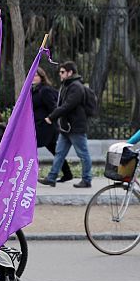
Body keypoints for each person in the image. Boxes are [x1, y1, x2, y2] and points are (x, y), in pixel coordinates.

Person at [39, 60, 92, 188]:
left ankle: (87, 179)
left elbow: (68, 106)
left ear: (70, 72)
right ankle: (52, 178)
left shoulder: (76, 87)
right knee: (60, 153)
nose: (60, 74)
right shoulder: (67, 85)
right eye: (60, 72)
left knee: (83, 154)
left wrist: (51, 117)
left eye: (62, 72)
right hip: (66, 127)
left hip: (76, 128)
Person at [32, 67, 72, 182]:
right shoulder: (34, 90)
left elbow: (54, 107)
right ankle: (67, 174)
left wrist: (48, 119)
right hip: (38, 126)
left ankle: (32, 174)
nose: (33, 78)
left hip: (45, 127)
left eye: (36, 75)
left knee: (29, 149)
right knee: (55, 151)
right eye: (32, 76)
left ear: (41, 77)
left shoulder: (45, 90)